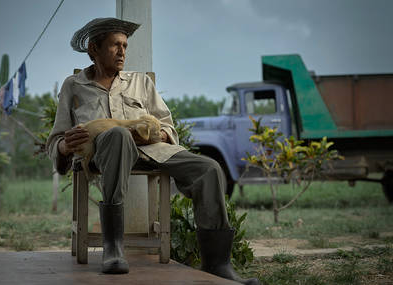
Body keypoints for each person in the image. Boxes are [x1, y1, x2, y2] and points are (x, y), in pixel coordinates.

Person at [46, 18, 260, 285]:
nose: (123, 51)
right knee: (117, 134)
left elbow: (168, 128)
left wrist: (153, 134)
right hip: (104, 153)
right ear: (94, 49)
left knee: (209, 169)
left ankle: (217, 263)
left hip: (152, 150)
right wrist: (66, 145)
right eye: (115, 45)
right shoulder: (73, 86)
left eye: (125, 45)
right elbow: (55, 141)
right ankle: (113, 247)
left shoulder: (140, 83)